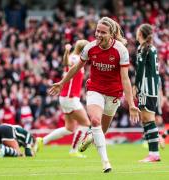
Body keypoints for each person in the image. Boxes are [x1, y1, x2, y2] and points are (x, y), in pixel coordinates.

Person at [49, 17, 140, 173]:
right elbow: (76, 68)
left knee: (101, 132)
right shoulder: (90, 48)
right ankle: (105, 162)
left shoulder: (121, 51)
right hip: (95, 90)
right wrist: (62, 82)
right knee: (95, 120)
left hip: (113, 94)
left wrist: (131, 104)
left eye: (102, 32)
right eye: (97, 31)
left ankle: (91, 134)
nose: (98, 34)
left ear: (111, 34)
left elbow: (125, 79)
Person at [36, 40, 91, 158]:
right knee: (86, 123)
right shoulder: (75, 58)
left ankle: (42, 141)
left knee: (69, 128)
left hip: (67, 97)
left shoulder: (77, 59)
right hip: (70, 97)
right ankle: (73, 150)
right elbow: (67, 63)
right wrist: (66, 51)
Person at [133, 23, 161, 162]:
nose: (136, 35)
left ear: (141, 34)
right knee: (146, 120)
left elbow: (140, 70)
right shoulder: (152, 48)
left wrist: (135, 85)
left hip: (146, 87)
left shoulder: (143, 48)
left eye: (138, 32)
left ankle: (154, 154)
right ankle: (153, 153)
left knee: (148, 120)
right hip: (153, 88)